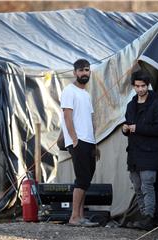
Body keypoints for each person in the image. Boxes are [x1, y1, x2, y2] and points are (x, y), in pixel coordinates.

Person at [122, 69, 158, 230]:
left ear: (148, 85)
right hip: (134, 153)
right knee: (137, 186)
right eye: (137, 86)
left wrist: (137, 128)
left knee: (147, 185)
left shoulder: (157, 104)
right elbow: (128, 124)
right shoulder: (131, 105)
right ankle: (143, 216)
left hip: (150, 152)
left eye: (143, 86)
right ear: (133, 87)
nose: (140, 89)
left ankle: (149, 217)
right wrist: (125, 129)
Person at [60, 59, 98, 227]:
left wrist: (95, 143)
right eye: (81, 70)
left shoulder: (87, 94)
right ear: (75, 72)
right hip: (78, 141)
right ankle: (74, 217)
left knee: (86, 179)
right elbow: (67, 116)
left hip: (89, 141)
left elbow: (90, 119)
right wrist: (74, 139)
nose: (84, 73)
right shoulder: (69, 90)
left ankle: (81, 217)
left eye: (87, 70)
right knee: (82, 179)